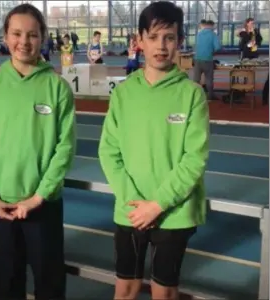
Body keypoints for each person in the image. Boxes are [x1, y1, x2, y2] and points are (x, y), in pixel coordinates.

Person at [98, 2, 209, 300]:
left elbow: (194, 158)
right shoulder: (122, 94)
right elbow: (109, 152)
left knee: (165, 293)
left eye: (169, 37)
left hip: (174, 213)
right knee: (126, 289)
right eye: (154, 36)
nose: (161, 46)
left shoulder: (192, 95)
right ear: (140, 40)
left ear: (179, 42)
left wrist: (158, 205)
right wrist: (136, 203)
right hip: (131, 211)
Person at [0, 4, 76, 300]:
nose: (24, 42)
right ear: (5, 36)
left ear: (43, 37)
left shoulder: (57, 88)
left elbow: (64, 148)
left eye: (32, 34)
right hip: (0, 207)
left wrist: (38, 197)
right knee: (5, 287)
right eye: (16, 33)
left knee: (49, 286)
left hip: (43, 206)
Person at [193, 19, 220, 100]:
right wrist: (212, 51)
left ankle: (194, 96)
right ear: (211, 26)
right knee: (209, 79)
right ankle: (210, 96)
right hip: (207, 59)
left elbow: (196, 46)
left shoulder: (199, 34)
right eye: (214, 26)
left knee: (196, 79)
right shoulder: (213, 34)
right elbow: (218, 47)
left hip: (197, 59)